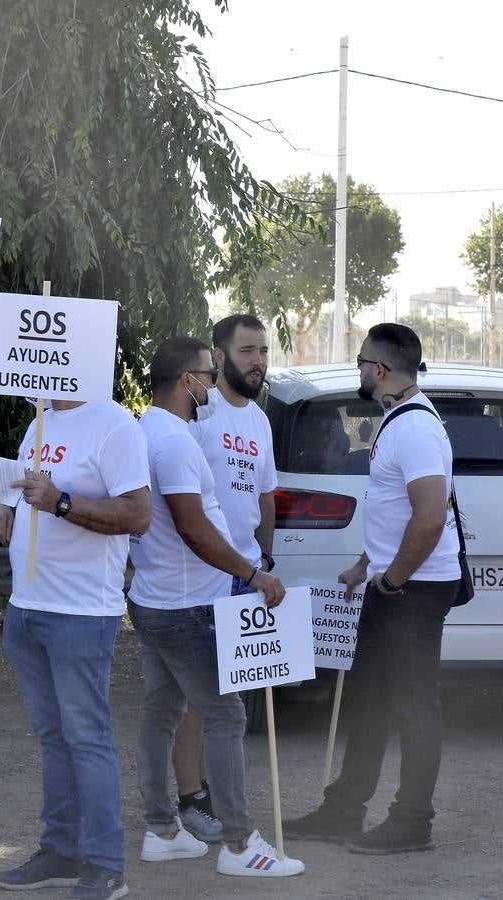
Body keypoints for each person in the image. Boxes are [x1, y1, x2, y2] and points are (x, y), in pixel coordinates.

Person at [281, 323, 461, 854]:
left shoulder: (416, 429)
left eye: (361, 361)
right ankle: (343, 811)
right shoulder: (399, 421)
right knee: (368, 700)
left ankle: (412, 821)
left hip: (415, 590)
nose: (359, 369)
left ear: (379, 370)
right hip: (396, 584)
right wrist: (366, 564)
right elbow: (398, 510)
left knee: (412, 706)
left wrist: (393, 580)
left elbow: (429, 519)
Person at [128, 337, 303, 878]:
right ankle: (238, 844)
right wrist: (250, 572)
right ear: (188, 382)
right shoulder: (176, 442)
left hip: (155, 598)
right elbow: (193, 524)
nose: (214, 380)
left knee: (162, 713)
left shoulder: (143, 431)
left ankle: (163, 831)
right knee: (226, 716)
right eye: (209, 372)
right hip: (187, 604)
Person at [0, 392, 150, 900]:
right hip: (28, 608)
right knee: (55, 736)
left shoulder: (115, 426)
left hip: (81, 614)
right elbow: (19, 489)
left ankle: (106, 865)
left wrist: (61, 501)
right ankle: (61, 850)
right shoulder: (40, 421)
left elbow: (137, 516)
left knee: (86, 737)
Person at [180, 313, 279, 840]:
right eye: (246, 351)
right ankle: (190, 799)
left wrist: (265, 556)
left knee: (229, 694)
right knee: (200, 698)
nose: (258, 361)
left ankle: (217, 796)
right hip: (202, 574)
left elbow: (264, 494)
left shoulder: (260, 421)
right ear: (218, 358)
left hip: (246, 574)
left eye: (262, 350)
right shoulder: (199, 412)